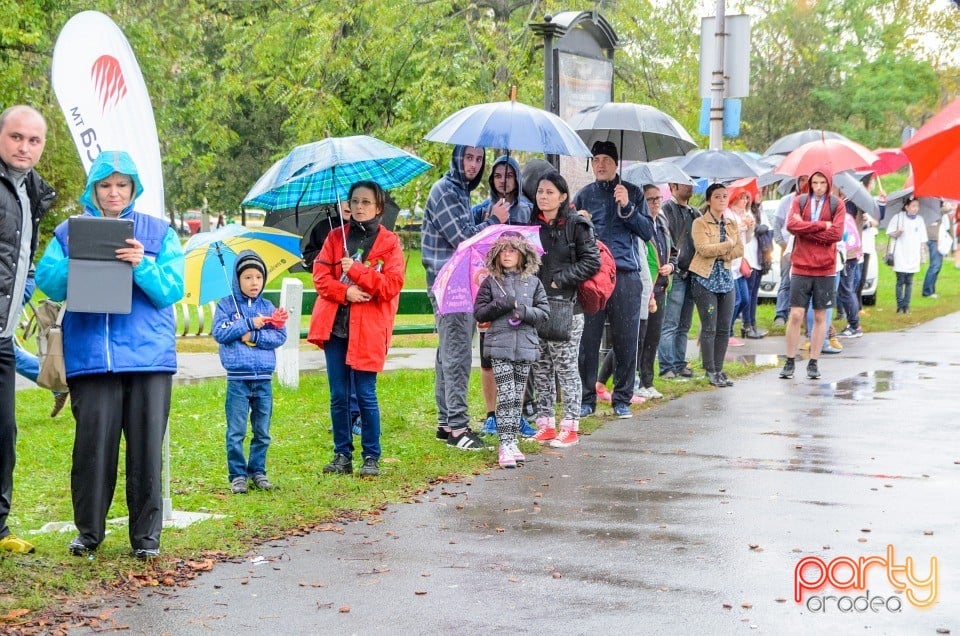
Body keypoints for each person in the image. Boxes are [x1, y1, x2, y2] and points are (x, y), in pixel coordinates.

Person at [35, 150, 184, 558]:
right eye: (105, 185)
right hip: (91, 358)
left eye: (121, 184)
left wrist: (142, 265)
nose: (113, 192)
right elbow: (48, 281)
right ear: (93, 189)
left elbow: (171, 288)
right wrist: (77, 262)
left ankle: (146, 539)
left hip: (148, 358)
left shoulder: (157, 232)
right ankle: (89, 533)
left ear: (134, 188)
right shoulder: (69, 232)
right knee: (92, 449)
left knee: (146, 448)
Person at [309, 181, 404, 477]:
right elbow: (320, 276)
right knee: (338, 394)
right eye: (355, 201)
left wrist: (357, 271)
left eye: (366, 202)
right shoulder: (336, 238)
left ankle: (371, 456)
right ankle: (342, 454)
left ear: (378, 207)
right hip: (336, 328)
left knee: (365, 393)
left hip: (369, 328)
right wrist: (345, 292)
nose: (359, 207)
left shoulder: (390, 243)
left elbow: (391, 285)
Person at [422, 145, 507, 450]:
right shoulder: (445, 190)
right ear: (457, 158)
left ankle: (446, 424)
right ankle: (458, 428)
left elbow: (465, 226)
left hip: (456, 282)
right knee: (456, 353)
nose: (473, 165)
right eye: (468, 158)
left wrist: (483, 215)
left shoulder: (459, 192)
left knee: (448, 351)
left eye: (478, 159)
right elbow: (464, 240)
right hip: (452, 284)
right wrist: (494, 220)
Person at [0, 105, 55, 554]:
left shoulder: (30, 192)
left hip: (2, 336)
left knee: (4, 434)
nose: (24, 147)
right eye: (17, 137)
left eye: (33, 141)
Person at [574, 141, 653, 419]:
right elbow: (573, 235)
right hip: (593, 275)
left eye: (606, 159)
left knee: (626, 339)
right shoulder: (584, 195)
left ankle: (622, 398)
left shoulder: (633, 193)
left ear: (616, 163)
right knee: (589, 339)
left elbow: (647, 231)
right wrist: (580, 221)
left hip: (626, 274)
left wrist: (628, 206)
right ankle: (586, 399)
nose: (601, 164)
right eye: (596, 159)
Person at [529, 172, 600, 447]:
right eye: (540, 192)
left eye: (549, 192)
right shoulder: (532, 226)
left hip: (568, 307)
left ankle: (570, 426)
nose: (543, 197)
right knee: (541, 367)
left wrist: (561, 278)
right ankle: (545, 423)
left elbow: (591, 261)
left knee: (566, 368)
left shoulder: (576, 225)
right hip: (538, 306)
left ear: (563, 196)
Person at [212, 251, 287, 494]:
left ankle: (258, 471)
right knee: (236, 430)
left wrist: (253, 336)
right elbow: (220, 333)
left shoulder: (268, 306)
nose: (254, 282)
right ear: (237, 279)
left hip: (263, 379)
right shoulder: (226, 306)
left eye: (258, 277)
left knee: (262, 431)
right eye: (247, 277)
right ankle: (237, 474)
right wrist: (247, 323)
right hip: (238, 379)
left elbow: (279, 335)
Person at [471, 156, 534, 437]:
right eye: (497, 175)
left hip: (520, 289)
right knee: (490, 355)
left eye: (508, 174)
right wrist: (491, 221)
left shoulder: (528, 209)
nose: (502, 180)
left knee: (518, 355)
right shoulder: (482, 210)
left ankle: (516, 414)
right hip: (491, 288)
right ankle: (492, 414)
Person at [473, 234, 548, 468]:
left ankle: (512, 440)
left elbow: (544, 313)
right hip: (499, 347)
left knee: (516, 397)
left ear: (523, 255)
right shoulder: (491, 283)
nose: (507, 254)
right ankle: (504, 443)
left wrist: (523, 311)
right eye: (503, 251)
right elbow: (480, 313)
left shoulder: (534, 283)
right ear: (496, 255)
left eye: (512, 250)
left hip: (525, 346)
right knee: (505, 394)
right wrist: (503, 304)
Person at [779, 169, 843, 380]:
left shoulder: (837, 205)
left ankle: (814, 362)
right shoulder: (800, 201)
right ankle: (789, 360)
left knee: (819, 316)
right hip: (801, 265)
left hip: (825, 268)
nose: (818, 187)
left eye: (822, 183)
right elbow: (791, 225)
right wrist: (820, 225)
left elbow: (836, 233)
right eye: (814, 182)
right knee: (796, 314)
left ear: (829, 184)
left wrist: (806, 230)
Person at [689, 183, 742, 388]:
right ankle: (709, 369)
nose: (722, 200)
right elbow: (703, 249)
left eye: (724, 196)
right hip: (705, 278)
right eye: (717, 196)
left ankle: (719, 369)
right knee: (709, 326)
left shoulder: (731, 223)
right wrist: (727, 246)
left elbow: (739, 250)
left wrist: (722, 251)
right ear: (709, 200)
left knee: (724, 327)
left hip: (726, 278)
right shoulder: (700, 223)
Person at [657, 181, 700, 379]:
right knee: (670, 322)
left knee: (684, 324)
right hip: (675, 272)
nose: (690, 186)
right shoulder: (666, 209)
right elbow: (668, 242)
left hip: (692, 273)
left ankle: (680, 363)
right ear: (672, 186)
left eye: (691, 182)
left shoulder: (694, 212)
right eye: (685, 183)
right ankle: (667, 366)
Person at [637, 184, 671, 399]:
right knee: (638, 338)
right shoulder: (641, 225)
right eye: (650, 199)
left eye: (658, 198)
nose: (656, 202)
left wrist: (672, 266)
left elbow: (673, 251)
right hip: (644, 288)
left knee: (653, 338)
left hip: (661, 286)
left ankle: (648, 381)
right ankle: (634, 381)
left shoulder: (663, 224)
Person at [772, 175, 809, 327]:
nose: (805, 183)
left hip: (807, 249)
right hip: (788, 247)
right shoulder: (787, 201)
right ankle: (781, 314)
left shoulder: (815, 203)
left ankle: (804, 316)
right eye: (802, 180)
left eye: (808, 180)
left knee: (805, 284)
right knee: (786, 282)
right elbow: (777, 226)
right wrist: (783, 244)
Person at [886, 196, 925, 314]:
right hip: (900, 253)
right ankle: (899, 305)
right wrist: (898, 232)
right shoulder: (898, 218)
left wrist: (922, 256)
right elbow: (889, 233)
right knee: (900, 280)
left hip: (913, 255)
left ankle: (906, 306)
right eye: (913, 206)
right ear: (906, 207)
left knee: (909, 281)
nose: (915, 208)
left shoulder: (920, 220)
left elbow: (922, 239)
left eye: (917, 206)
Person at [837, 201, 865, 338]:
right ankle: (853, 324)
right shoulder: (849, 217)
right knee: (847, 291)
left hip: (847, 257)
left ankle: (854, 325)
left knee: (846, 291)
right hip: (852, 255)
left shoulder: (843, 217)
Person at [921, 201, 950, 298]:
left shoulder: (926, 208)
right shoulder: (936, 209)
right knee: (935, 266)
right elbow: (948, 208)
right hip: (935, 239)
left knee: (935, 266)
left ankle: (931, 290)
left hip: (932, 238)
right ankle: (927, 291)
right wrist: (944, 201)